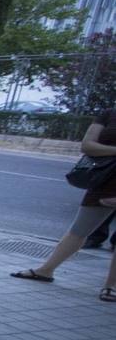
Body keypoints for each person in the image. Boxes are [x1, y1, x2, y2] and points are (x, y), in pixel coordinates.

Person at [12, 108, 116, 302]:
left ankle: (111, 286)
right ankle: (46, 270)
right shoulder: (109, 114)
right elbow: (88, 145)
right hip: (105, 178)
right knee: (79, 229)